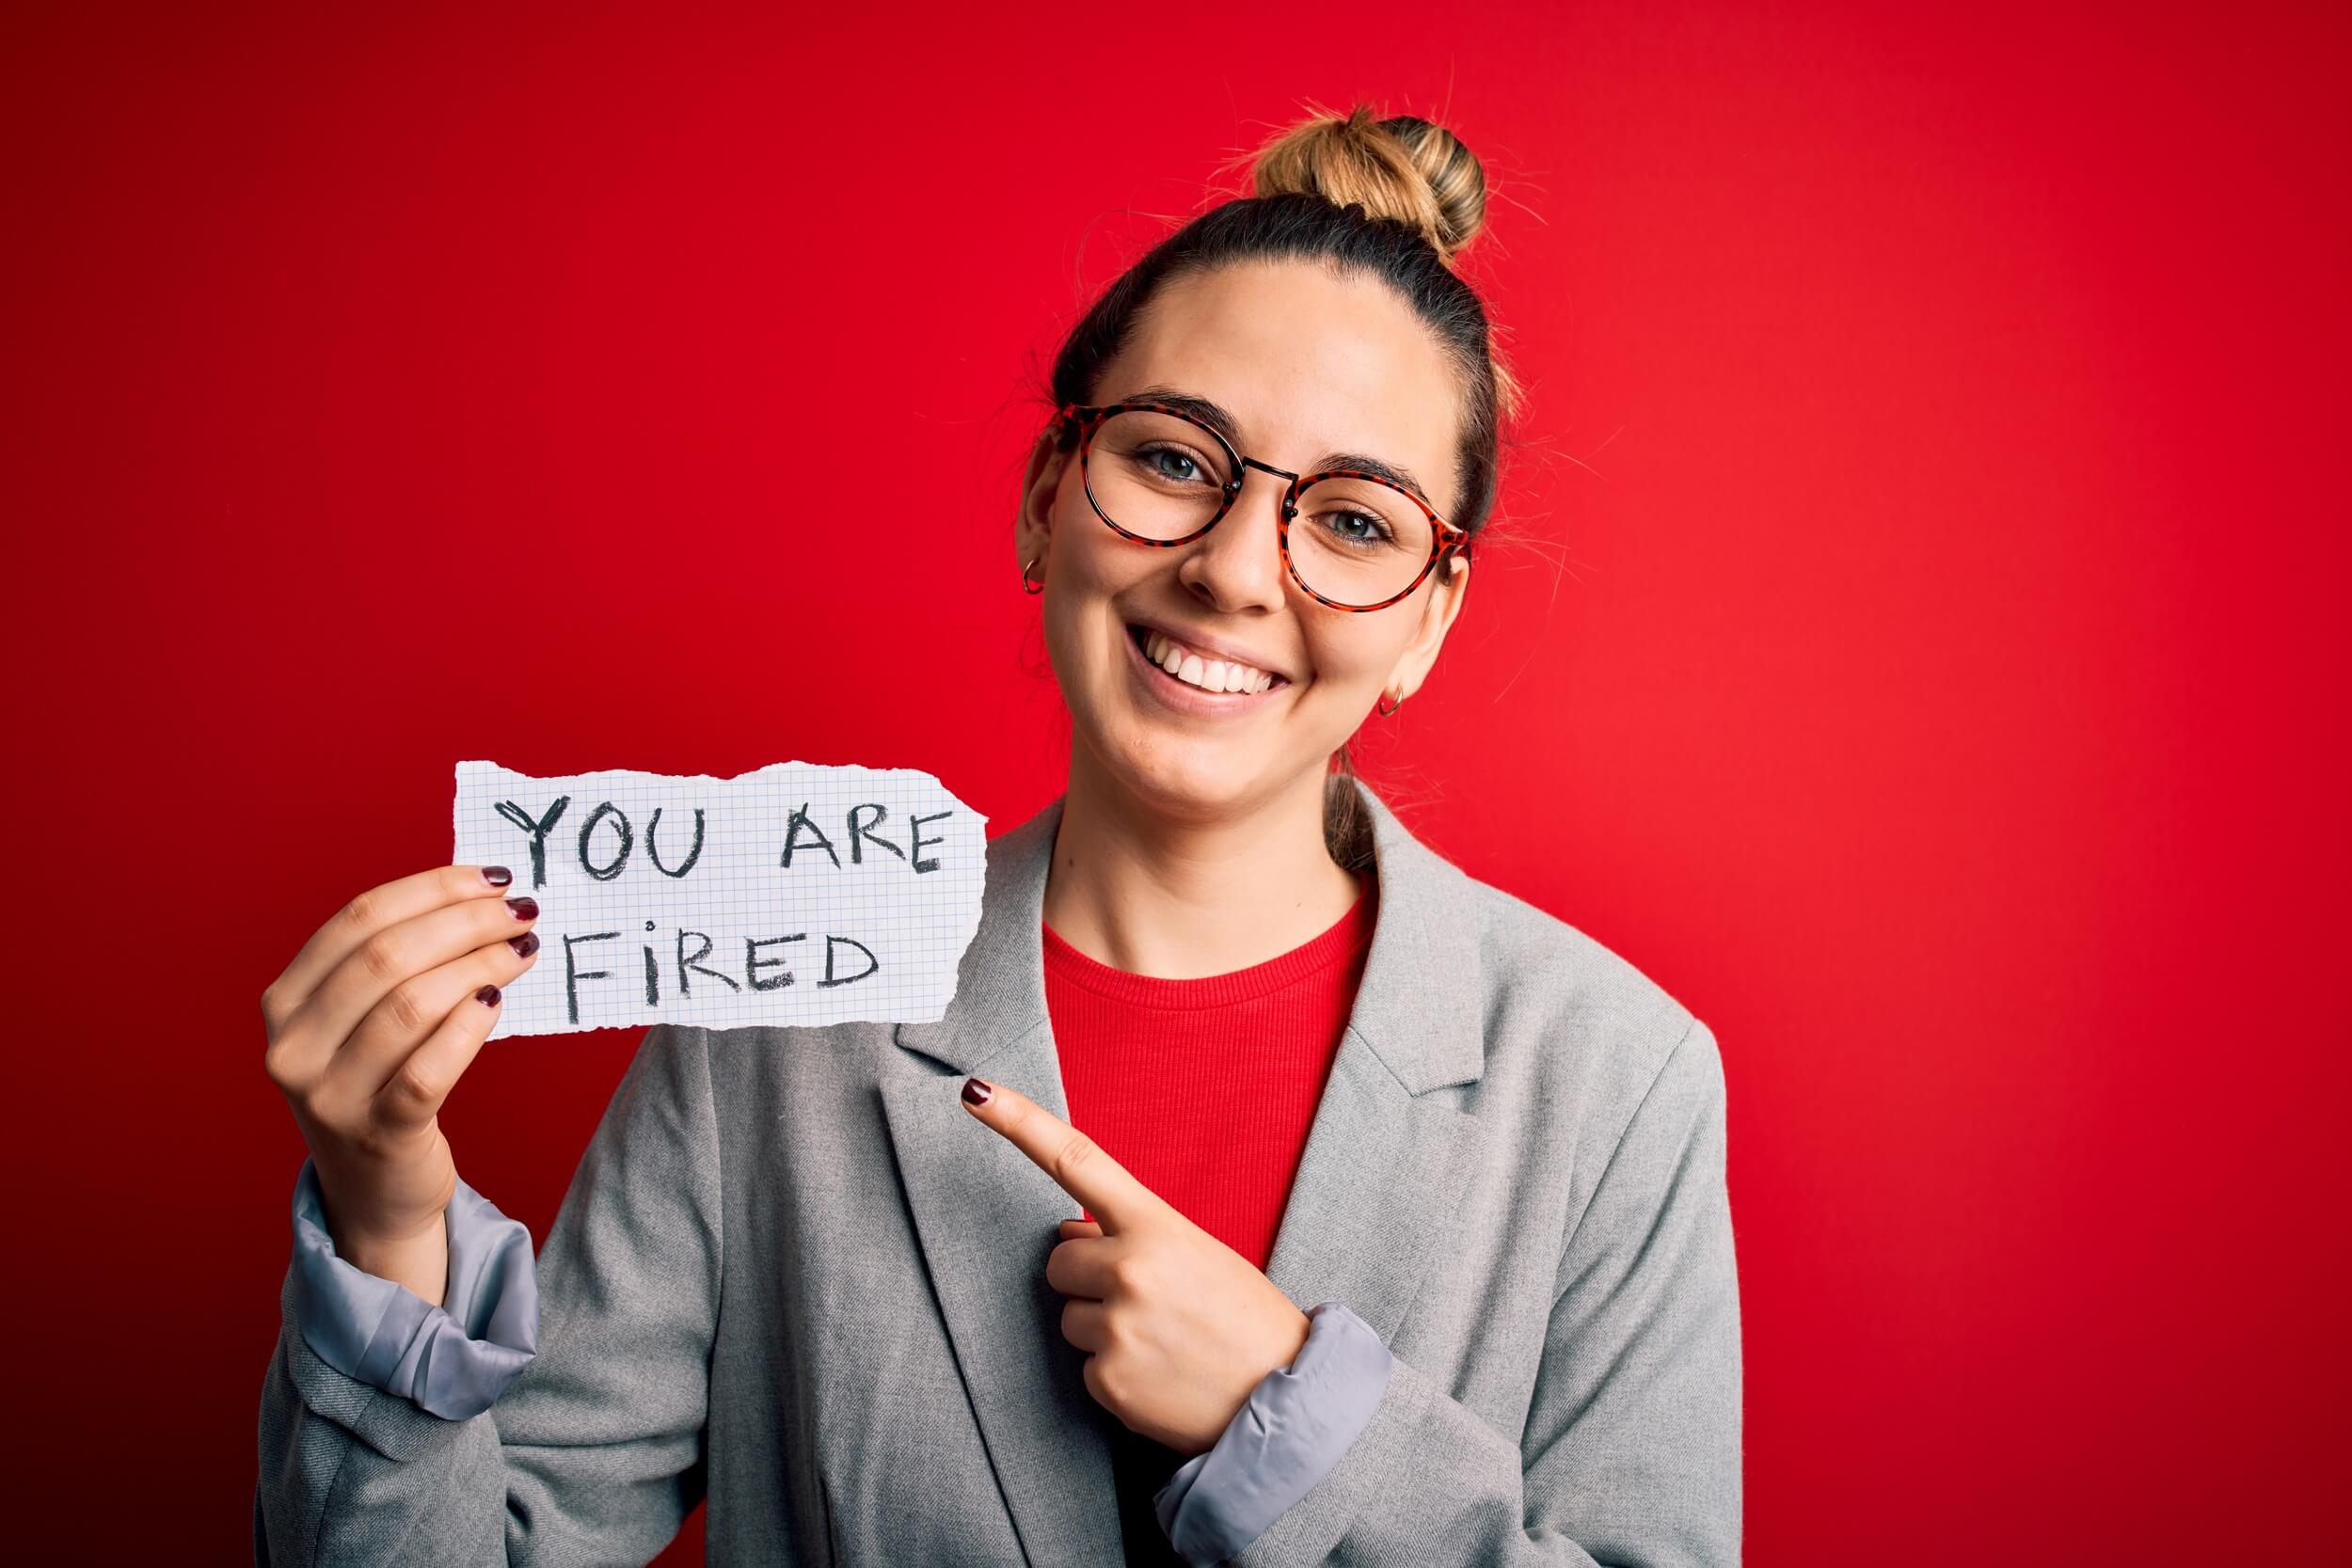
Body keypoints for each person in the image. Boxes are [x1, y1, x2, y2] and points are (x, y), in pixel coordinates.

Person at [255, 101, 1741, 1567]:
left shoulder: (1617, 1081)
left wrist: (1292, 1421)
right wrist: (389, 1228)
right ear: (1048, 501)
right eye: (1172, 459)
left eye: (1355, 520)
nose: (1233, 569)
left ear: (1429, 618)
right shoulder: (769, 1017)